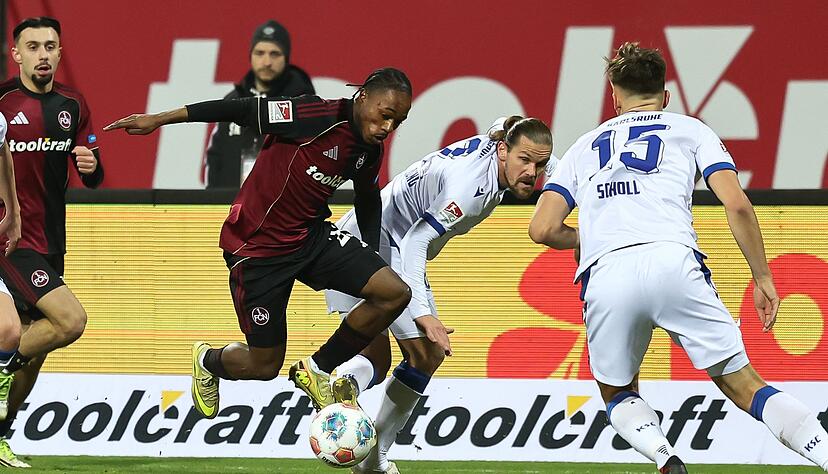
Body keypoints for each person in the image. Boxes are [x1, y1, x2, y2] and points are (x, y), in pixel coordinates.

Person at [529, 42, 828, 473]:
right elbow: (738, 204)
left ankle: (664, 456)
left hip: (608, 272)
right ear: (665, 96)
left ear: (613, 96)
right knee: (745, 386)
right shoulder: (691, 130)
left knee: (617, 392)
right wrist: (762, 276)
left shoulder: (584, 145)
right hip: (674, 261)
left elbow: (541, 229)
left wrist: (590, 236)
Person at [105, 67, 414, 418]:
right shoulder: (312, 115)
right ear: (362, 98)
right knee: (264, 365)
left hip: (310, 238)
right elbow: (240, 110)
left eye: (397, 122)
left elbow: (368, 198)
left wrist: (371, 255)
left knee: (393, 292)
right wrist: (159, 119)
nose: (388, 128)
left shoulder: (368, 150)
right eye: (384, 115)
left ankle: (316, 369)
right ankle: (208, 360)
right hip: (256, 250)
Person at [326, 116, 553, 474]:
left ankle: (344, 382)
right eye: (525, 161)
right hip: (384, 243)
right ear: (503, 150)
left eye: (539, 164)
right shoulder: (469, 190)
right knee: (426, 353)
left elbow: (508, 130)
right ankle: (371, 459)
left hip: (351, 234)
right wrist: (423, 313)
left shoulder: (499, 144)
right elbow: (416, 240)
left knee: (378, 359)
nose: (532, 172)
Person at [0, 17, 104, 468]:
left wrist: (90, 162)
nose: (43, 54)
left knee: (34, 352)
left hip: (51, 242)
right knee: (70, 320)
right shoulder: (2, 103)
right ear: (16, 53)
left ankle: (1, 435)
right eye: (34, 46)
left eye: (51, 46)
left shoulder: (74, 105)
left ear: (60, 52)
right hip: (10, 240)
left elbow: (94, 175)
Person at [205, 19, 315, 189]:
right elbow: (215, 157)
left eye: (275, 54)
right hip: (231, 208)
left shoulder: (303, 104)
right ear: (250, 56)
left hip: (281, 209)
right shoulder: (232, 101)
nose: (266, 62)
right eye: (260, 53)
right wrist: (214, 200)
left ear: (286, 58)